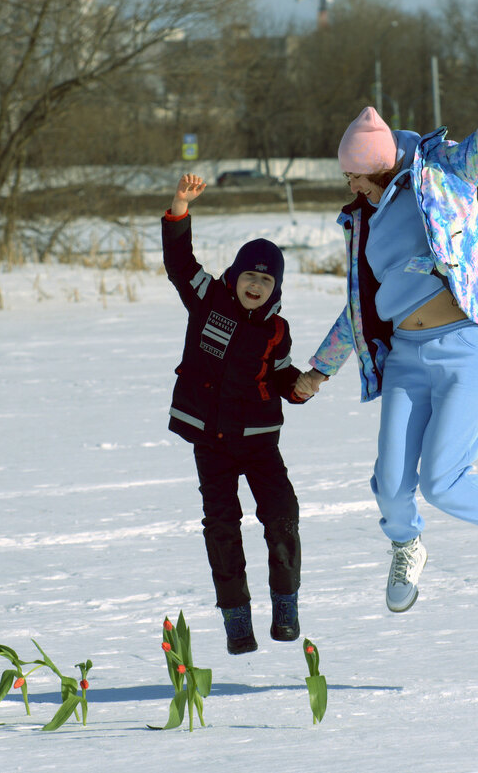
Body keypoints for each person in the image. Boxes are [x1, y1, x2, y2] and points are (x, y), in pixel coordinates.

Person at [294, 0, 478, 613]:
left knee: (443, 482)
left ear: (378, 169)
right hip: (406, 360)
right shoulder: (362, 225)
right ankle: (407, 545)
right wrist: (318, 370)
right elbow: (359, 310)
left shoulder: (444, 175)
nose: (350, 189)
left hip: (463, 349)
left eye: (355, 178)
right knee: (392, 487)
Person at [163, 173, 312, 654]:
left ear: (276, 289)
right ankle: (236, 619)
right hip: (212, 442)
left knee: (282, 515)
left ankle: (285, 604)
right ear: (235, 275)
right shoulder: (209, 298)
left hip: (260, 440)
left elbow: (282, 376)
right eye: (250, 275)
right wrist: (180, 208)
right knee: (222, 527)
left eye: (267, 280)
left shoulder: (278, 330)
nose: (256, 285)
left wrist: (301, 387)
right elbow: (179, 261)